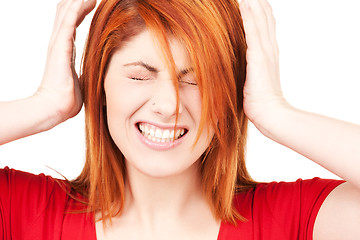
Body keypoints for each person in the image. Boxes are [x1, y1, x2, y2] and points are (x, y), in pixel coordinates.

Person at [0, 0, 359, 239]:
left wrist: (275, 111)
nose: (168, 104)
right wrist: (45, 105)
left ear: (230, 95)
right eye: (140, 75)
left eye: (197, 79)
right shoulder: (26, 214)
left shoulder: (289, 220)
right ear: (99, 84)